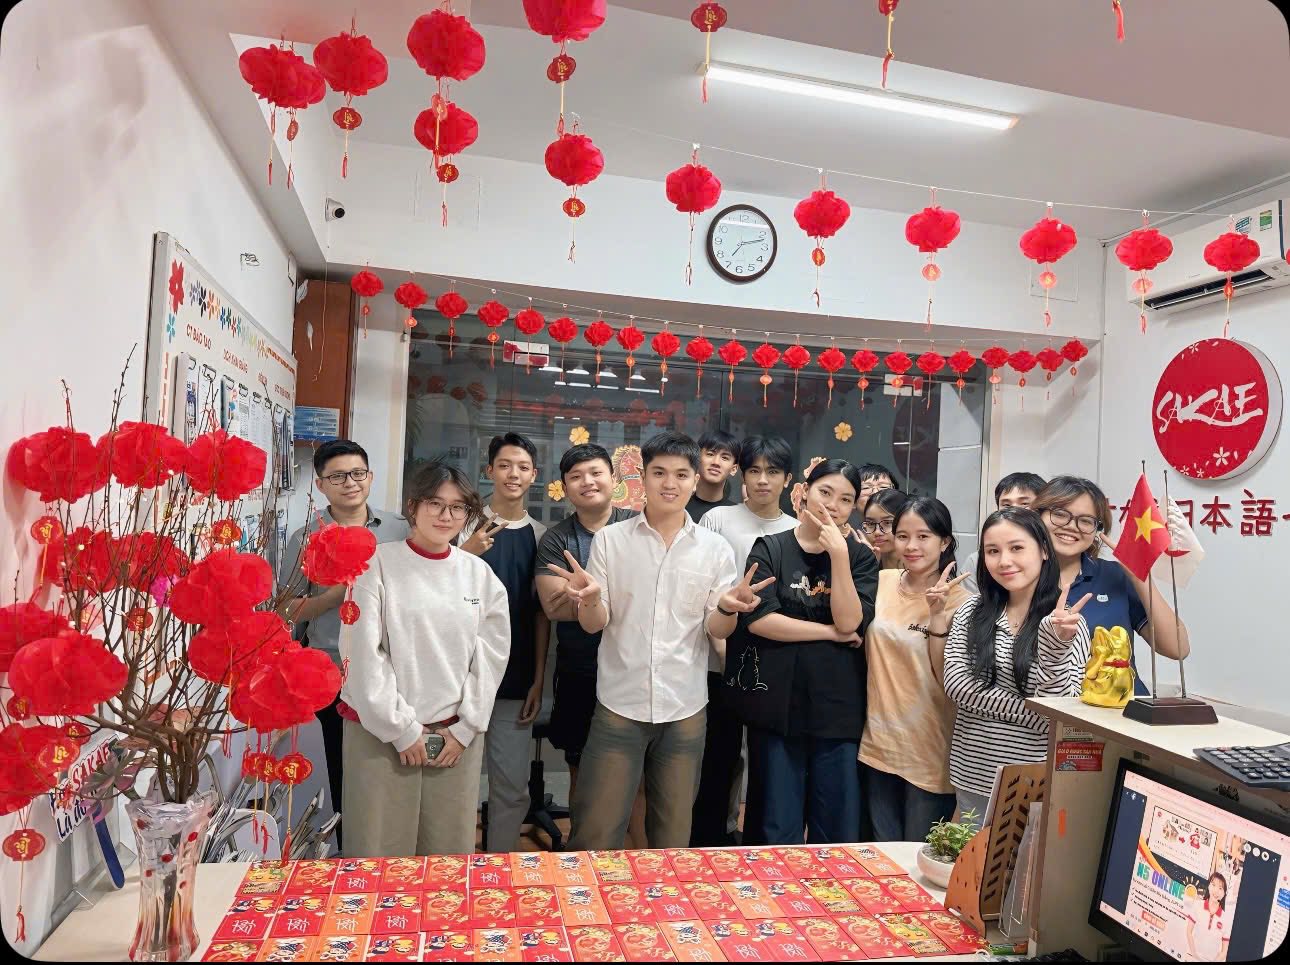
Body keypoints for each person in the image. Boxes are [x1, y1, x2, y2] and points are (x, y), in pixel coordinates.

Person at [550, 431, 751, 850]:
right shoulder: (611, 540)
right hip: (618, 706)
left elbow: (717, 629)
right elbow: (594, 624)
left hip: (685, 709)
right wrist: (589, 600)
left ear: (695, 480)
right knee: (596, 829)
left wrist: (728, 608)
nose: (669, 483)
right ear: (642, 478)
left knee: (673, 833)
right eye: (659, 473)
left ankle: (662, 894)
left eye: (681, 474)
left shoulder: (714, 550)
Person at [340, 461, 511, 857]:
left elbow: (491, 659)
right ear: (413, 506)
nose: (445, 515)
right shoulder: (374, 565)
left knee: (447, 856)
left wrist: (466, 728)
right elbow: (362, 656)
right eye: (435, 503)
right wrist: (401, 730)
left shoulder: (480, 575)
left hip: (454, 739)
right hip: (380, 734)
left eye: (458, 507)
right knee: (378, 853)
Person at [726, 459, 879, 845]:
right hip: (778, 708)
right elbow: (761, 621)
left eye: (846, 499)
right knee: (776, 825)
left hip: (838, 710)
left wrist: (839, 557)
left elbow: (850, 622)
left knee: (835, 826)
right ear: (805, 492)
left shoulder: (860, 558)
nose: (833, 505)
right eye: (825, 492)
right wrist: (827, 632)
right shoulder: (771, 547)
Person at [277, 439, 410, 845]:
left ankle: (385, 848)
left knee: (388, 762)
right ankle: (346, 852)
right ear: (320, 484)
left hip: (393, 668)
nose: (350, 483)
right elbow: (287, 609)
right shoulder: (306, 537)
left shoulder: (400, 529)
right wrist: (337, 594)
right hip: (331, 670)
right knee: (338, 765)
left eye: (357, 473)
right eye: (337, 477)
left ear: (370, 477)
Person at [944, 507, 1092, 819]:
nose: (1004, 561)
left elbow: (1061, 713)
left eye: (1016, 548)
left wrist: (1055, 647)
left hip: (1033, 780)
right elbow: (957, 686)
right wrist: (1034, 712)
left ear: (1044, 551)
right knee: (972, 850)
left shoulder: (1066, 623)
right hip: (973, 772)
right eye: (993, 551)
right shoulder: (971, 611)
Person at [534, 443, 643, 843]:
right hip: (581, 672)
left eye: (596, 473)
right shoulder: (556, 539)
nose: (588, 482)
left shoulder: (639, 526)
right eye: (576, 476)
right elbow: (554, 607)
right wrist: (618, 598)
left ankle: (639, 857)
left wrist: (590, 597)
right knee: (582, 767)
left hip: (635, 670)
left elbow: (655, 595)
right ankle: (582, 854)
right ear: (565, 487)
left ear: (613, 480)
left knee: (639, 771)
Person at [695, 435, 797, 847]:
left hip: (771, 660)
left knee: (767, 762)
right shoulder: (717, 520)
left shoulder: (795, 530)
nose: (762, 480)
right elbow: (701, 590)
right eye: (754, 470)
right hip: (715, 655)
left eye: (773, 472)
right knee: (716, 758)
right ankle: (707, 842)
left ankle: (756, 843)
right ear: (742, 475)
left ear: (788, 480)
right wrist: (720, 648)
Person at [860, 497, 973, 842]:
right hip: (878, 746)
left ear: (945, 542)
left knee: (917, 857)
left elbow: (950, 681)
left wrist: (937, 616)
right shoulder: (881, 581)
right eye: (903, 536)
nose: (911, 546)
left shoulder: (963, 602)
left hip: (930, 752)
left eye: (923, 536)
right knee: (882, 856)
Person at [459, 433, 550, 853]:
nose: (513, 474)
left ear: (534, 475)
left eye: (523, 467)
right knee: (454, 779)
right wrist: (467, 552)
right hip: (459, 676)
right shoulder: (463, 528)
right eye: (505, 465)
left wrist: (538, 680)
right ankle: (454, 864)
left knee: (511, 785)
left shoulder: (541, 536)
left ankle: (500, 864)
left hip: (515, 677)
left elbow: (540, 614)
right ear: (489, 470)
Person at [1032, 476, 1191, 695]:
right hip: (1055, 709)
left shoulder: (1114, 575)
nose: (1071, 526)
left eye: (1086, 521)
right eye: (1059, 514)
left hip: (1124, 709)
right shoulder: (1017, 578)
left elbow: (1178, 649)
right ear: (1038, 516)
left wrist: (1140, 576)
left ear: (1098, 529)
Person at [961, 472, 1047, 594]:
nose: (1014, 511)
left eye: (1024, 504)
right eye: (1006, 505)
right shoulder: (977, 561)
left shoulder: (1056, 554)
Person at [688, 429, 740, 522]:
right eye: (710, 454)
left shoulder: (737, 515)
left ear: (734, 469)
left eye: (725, 458)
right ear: (697, 459)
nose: (716, 462)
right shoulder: (679, 507)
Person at [1186, 871, 1230, 961]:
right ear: (1209, 886)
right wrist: (1194, 954)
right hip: (1192, 958)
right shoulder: (1198, 905)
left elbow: (1224, 951)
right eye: (1213, 885)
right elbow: (1188, 931)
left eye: (1220, 888)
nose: (1216, 890)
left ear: (1224, 894)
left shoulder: (1225, 919)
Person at [860, 488, 908, 569]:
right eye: (870, 523)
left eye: (888, 523)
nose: (877, 532)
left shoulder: (925, 571)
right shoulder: (862, 565)